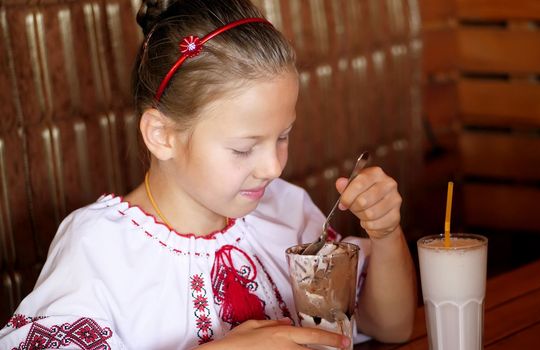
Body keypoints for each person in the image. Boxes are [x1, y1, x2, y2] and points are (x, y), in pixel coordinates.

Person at [0, 0, 415, 348]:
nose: (273, 167)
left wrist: (385, 231)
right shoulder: (99, 248)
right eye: (243, 148)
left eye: (283, 136)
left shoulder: (285, 211)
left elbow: (392, 326)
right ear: (162, 135)